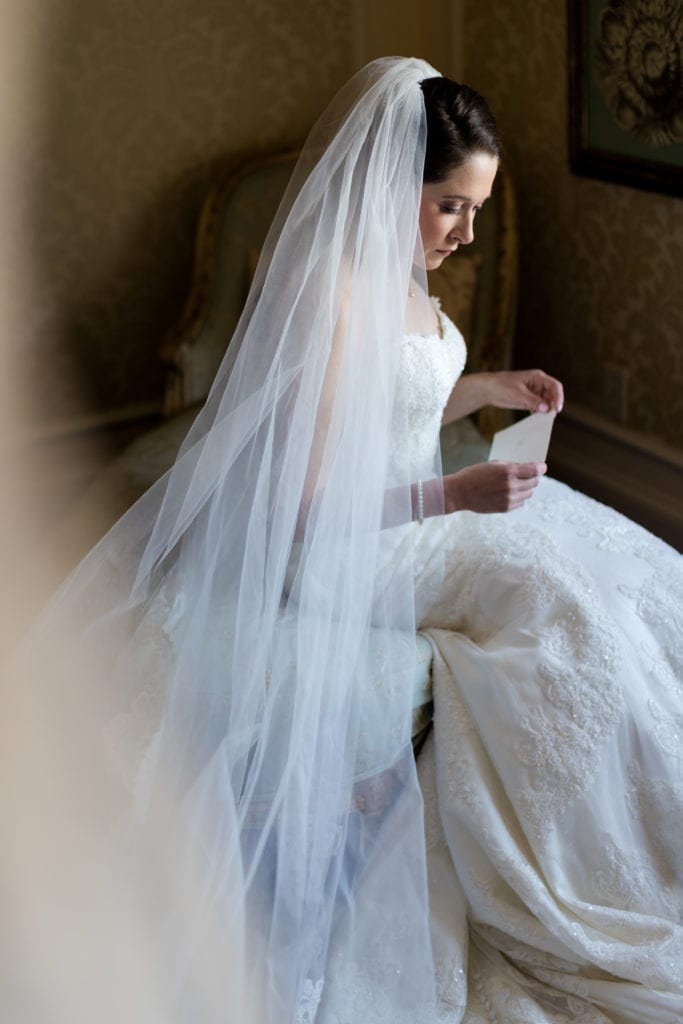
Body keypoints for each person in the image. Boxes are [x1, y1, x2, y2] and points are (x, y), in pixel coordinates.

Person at [27, 57, 681, 1023]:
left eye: (477, 210)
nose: (465, 233)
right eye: (450, 205)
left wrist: (486, 389)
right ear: (392, 184)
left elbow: (398, 393)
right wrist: (458, 489)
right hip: (355, 554)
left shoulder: (400, 271)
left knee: (628, 568)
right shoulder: (331, 295)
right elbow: (307, 505)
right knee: (565, 605)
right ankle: (574, 878)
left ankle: (642, 840)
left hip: (421, 511)